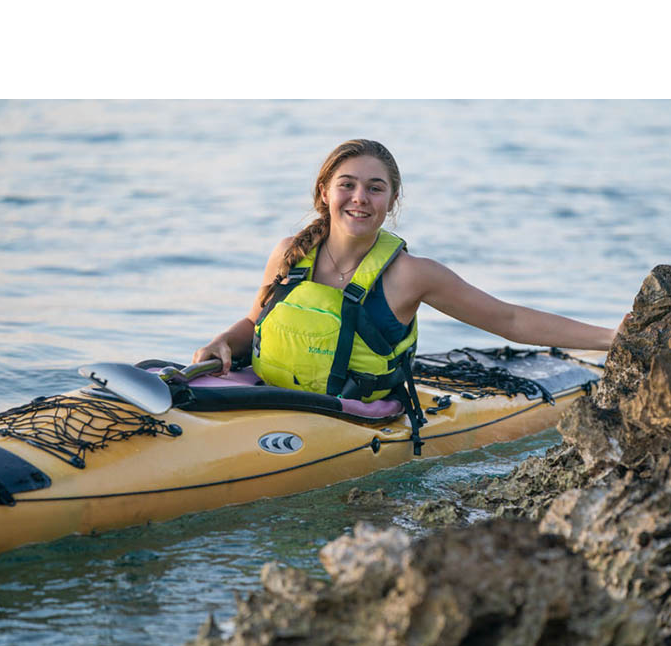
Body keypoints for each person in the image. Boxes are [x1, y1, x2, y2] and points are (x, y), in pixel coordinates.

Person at [193, 139, 626, 451]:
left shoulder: (411, 275)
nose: (359, 198)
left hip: (349, 417)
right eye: (347, 185)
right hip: (265, 396)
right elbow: (254, 325)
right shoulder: (291, 251)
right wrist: (222, 342)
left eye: (375, 188)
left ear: (391, 200)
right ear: (324, 192)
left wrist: (611, 338)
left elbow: (508, 320)